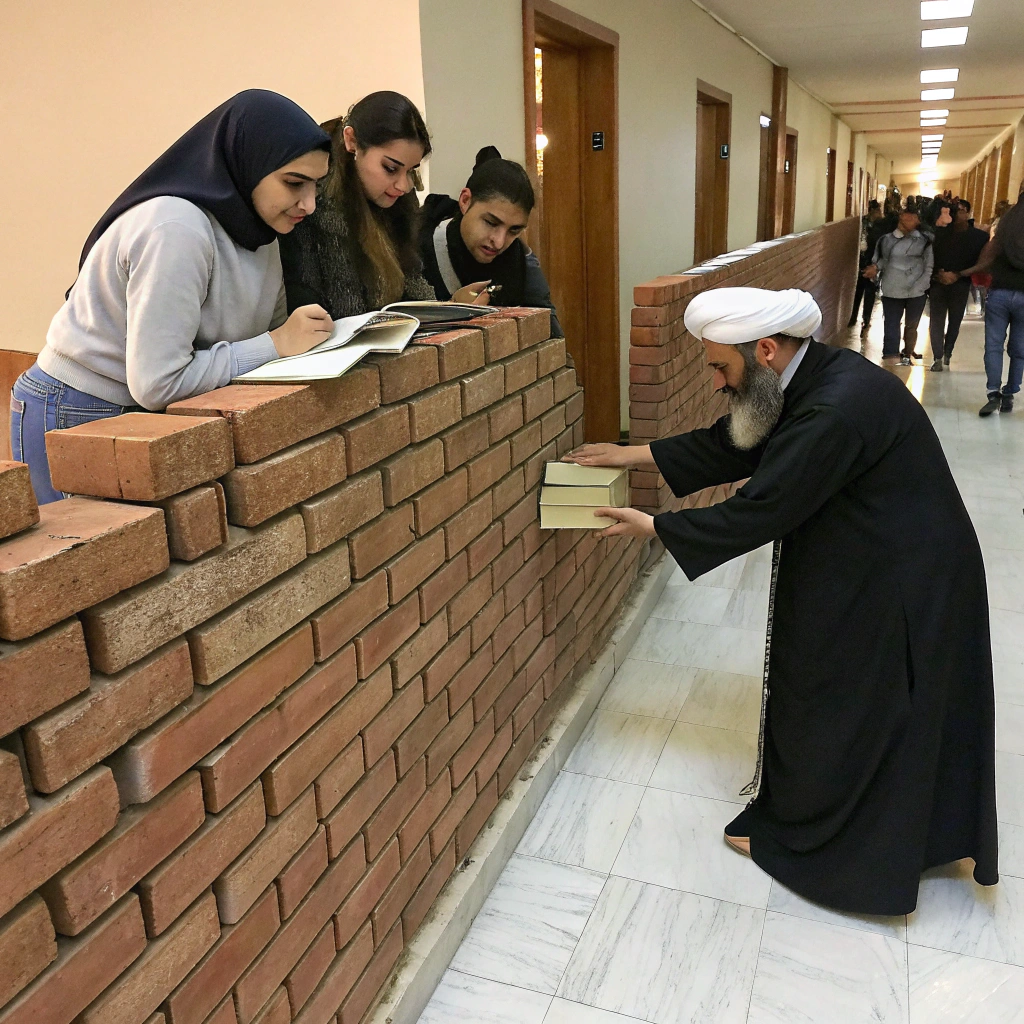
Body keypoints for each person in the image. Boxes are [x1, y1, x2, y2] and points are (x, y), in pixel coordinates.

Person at [562, 286, 997, 917]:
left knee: (855, 703)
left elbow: (762, 506)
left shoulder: (832, 411)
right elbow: (738, 442)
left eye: (720, 367)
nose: (716, 382)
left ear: (765, 350)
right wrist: (633, 453)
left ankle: (830, 845)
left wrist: (655, 527)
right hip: (881, 562)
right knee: (867, 702)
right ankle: (904, 830)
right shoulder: (810, 377)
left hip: (901, 581)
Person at [13, 90, 334, 504]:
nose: (308, 204)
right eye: (294, 183)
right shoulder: (176, 229)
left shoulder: (260, 229)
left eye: (315, 186)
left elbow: (261, 338)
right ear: (247, 162)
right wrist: (276, 345)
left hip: (144, 411)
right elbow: (159, 382)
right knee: (90, 563)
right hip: (79, 405)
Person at [279, 91, 436, 318]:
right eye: (390, 168)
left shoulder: (398, 203)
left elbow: (413, 284)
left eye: (411, 170)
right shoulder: (312, 204)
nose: (403, 185)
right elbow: (334, 316)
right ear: (351, 141)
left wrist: (449, 308)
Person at [419, 147, 563, 336]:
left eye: (514, 230)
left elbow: (550, 339)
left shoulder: (521, 261)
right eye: (490, 222)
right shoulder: (414, 250)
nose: (499, 242)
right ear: (465, 201)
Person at [959, 191, 1024, 416]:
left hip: (1000, 293)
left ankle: (993, 392)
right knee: (1019, 349)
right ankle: (1010, 392)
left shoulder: (1008, 220)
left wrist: (965, 272)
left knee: (994, 345)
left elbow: (989, 254)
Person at [863, 208, 934, 365]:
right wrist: (874, 269)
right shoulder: (886, 240)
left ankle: (908, 352)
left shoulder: (925, 241)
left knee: (912, 325)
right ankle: (890, 353)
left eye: (912, 218)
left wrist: (923, 284)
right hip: (892, 287)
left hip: (916, 289)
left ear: (918, 221)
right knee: (891, 322)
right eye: (905, 219)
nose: (909, 221)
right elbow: (883, 260)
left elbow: (929, 265)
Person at [929, 200, 990, 370]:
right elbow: (930, 257)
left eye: (962, 211)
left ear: (969, 213)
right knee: (936, 320)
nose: (958, 215)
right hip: (938, 281)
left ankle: (948, 352)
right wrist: (939, 273)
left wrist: (958, 274)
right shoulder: (939, 234)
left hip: (961, 283)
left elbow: (982, 262)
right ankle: (938, 356)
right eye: (955, 211)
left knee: (955, 320)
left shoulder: (979, 237)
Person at [848, 201, 885, 336]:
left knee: (865, 291)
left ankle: (862, 319)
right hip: (867, 261)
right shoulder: (871, 224)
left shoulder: (873, 224)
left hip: (870, 262)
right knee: (862, 291)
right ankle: (860, 318)